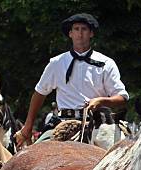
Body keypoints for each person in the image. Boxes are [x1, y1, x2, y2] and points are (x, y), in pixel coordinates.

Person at [14, 13, 129, 147]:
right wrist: (28, 127)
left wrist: (101, 101)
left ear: (91, 33)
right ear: (70, 33)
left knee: (123, 157)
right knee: (33, 155)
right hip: (63, 123)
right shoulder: (56, 63)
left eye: (84, 29)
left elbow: (122, 97)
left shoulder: (106, 63)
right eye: (76, 29)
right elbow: (39, 94)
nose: (80, 34)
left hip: (99, 123)